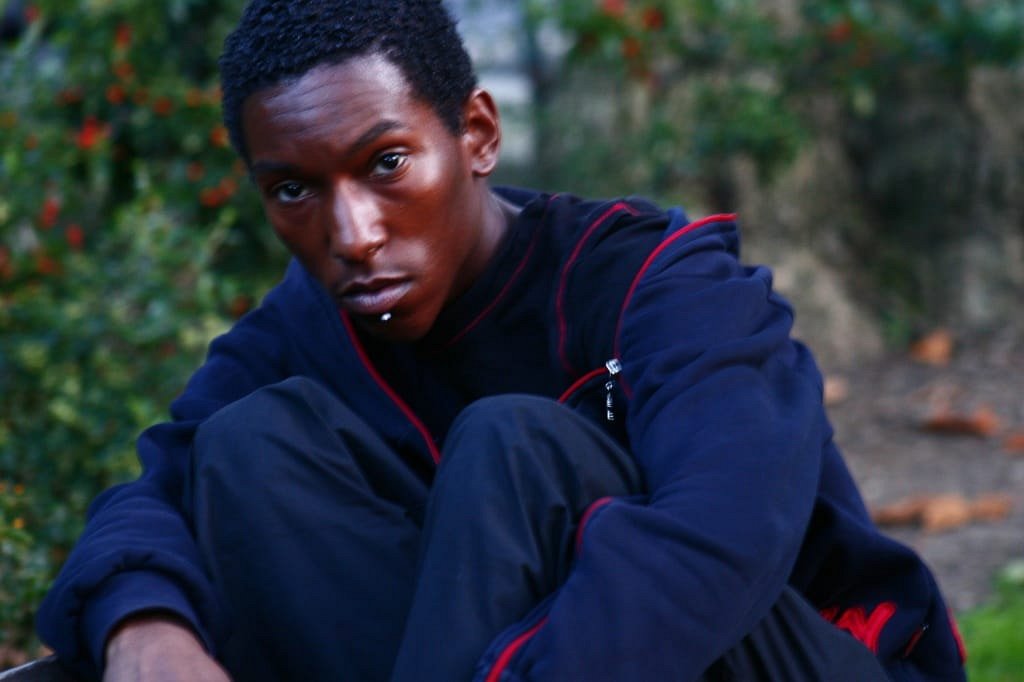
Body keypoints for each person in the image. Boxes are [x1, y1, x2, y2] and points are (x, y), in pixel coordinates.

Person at [36, 1, 967, 680]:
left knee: (514, 446)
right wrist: (143, 632)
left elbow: (718, 539)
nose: (352, 233)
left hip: (788, 654)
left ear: (477, 134)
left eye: (386, 163)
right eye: (294, 190)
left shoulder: (662, 285)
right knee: (246, 447)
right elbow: (155, 489)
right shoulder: (307, 324)